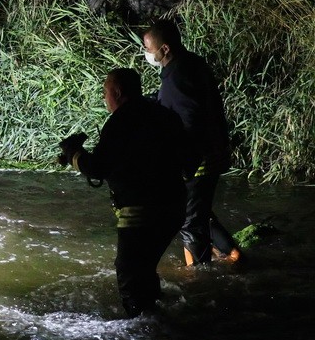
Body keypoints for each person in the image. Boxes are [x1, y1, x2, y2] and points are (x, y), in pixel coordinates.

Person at [59, 68, 188, 317]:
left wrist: (74, 153)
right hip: (174, 206)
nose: (104, 97)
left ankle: (142, 328)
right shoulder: (163, 115)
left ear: (117, 92)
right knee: (145, 267)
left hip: (141, 212)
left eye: (105, 91)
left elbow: (97, 168)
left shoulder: (121, 121)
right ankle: (158, 315)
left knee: (129, 271)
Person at [141, 19, 244, 266]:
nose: (147, 54)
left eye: (148, 48)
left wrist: (181, 162)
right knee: (198, 211)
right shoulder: (190, 65)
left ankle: (197, 276)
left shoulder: (177, 76)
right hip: (211, 155)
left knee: (188, 220)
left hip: (197, 161)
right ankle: (231, 253)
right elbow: (175, 101)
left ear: (164, 49)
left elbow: (189, 120)